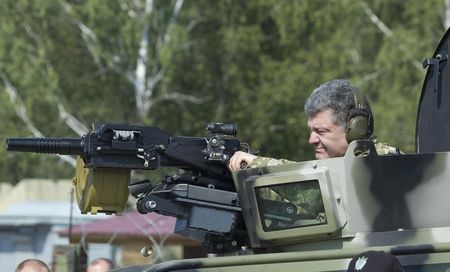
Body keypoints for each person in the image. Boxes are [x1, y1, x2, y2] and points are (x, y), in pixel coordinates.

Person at [228, 79, 399, 170]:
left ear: (356, 130)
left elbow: (312, 188)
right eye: (311, 131)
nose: (311, 140)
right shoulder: (337, 166)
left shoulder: (384, 160)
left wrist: (258, 163)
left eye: (321, 131)